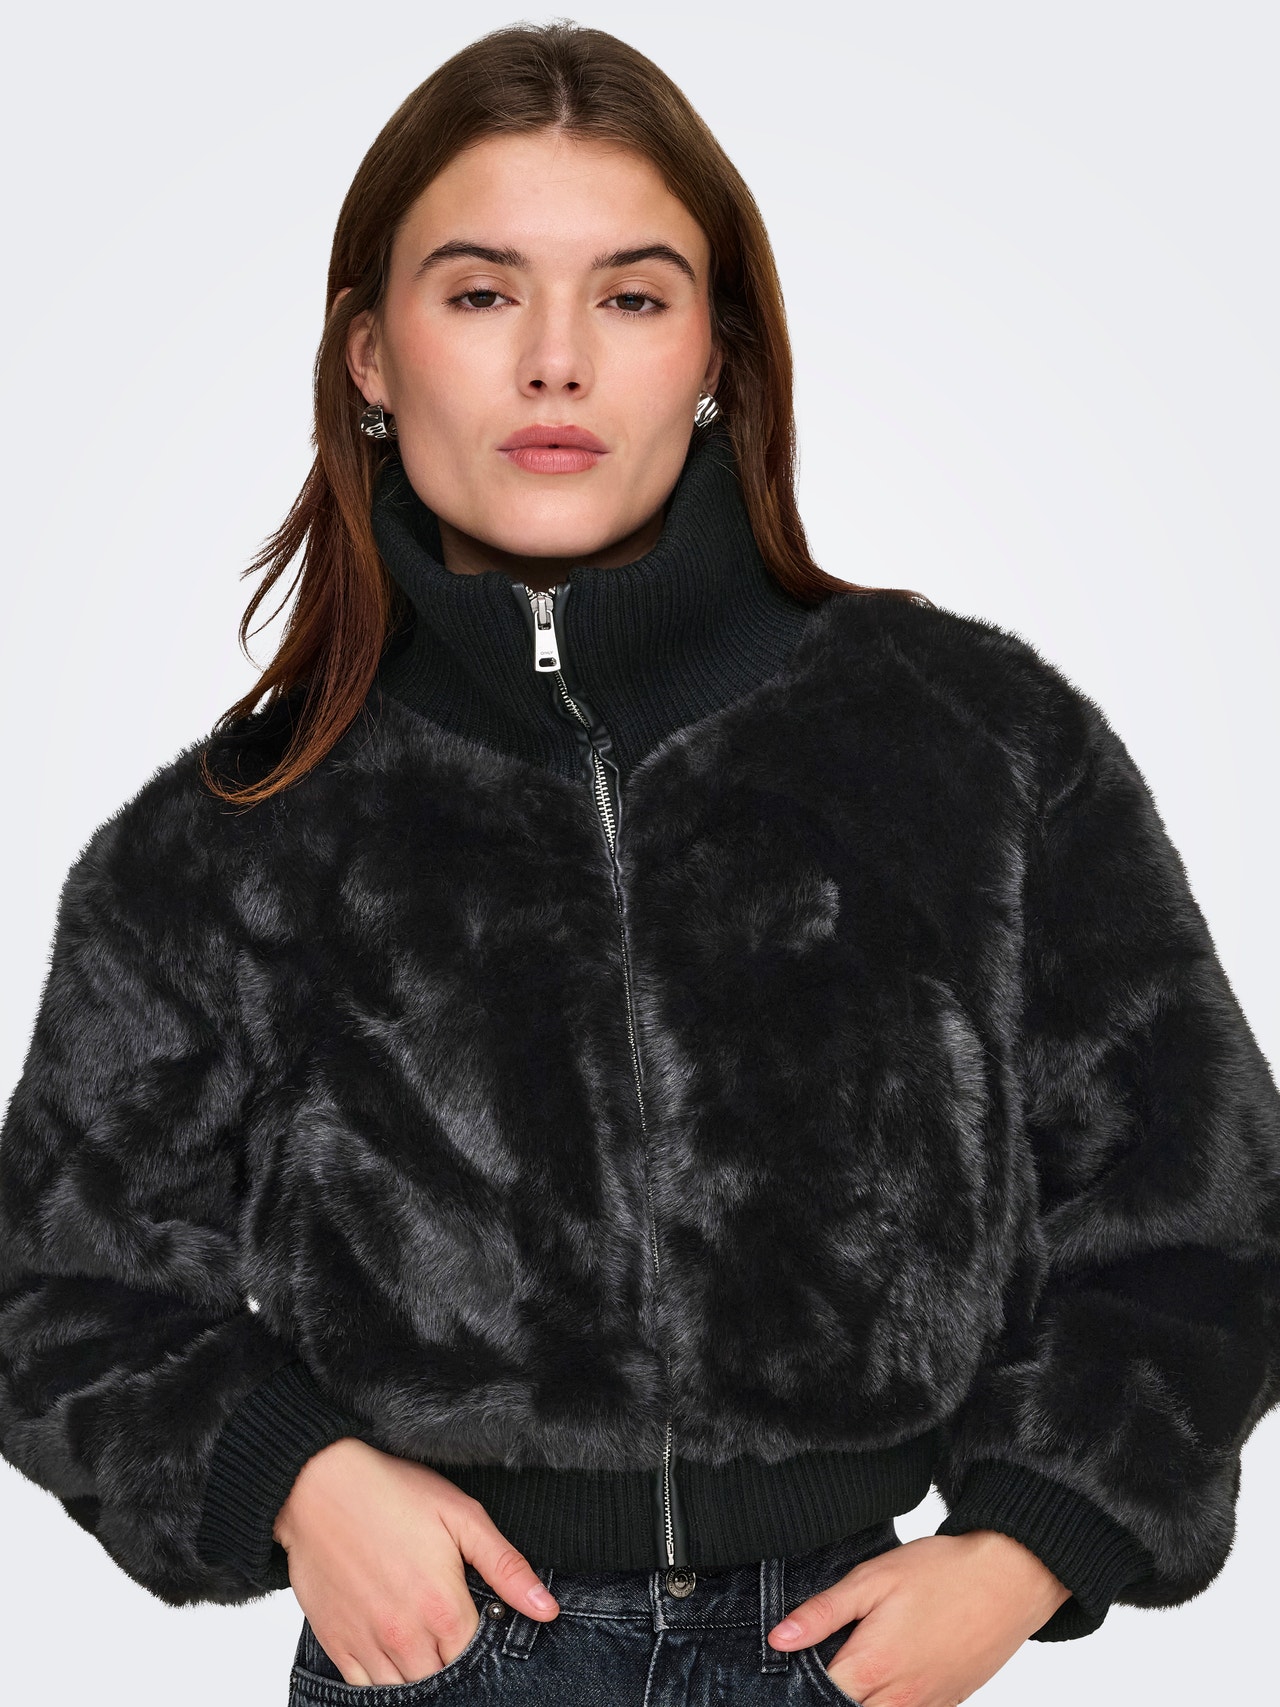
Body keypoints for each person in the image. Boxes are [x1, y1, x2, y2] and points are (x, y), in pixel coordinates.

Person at [2, 20, 1278, 1707]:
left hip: (848, 1649)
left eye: (631, 296)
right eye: (481, 293)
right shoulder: (226, 837)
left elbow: (1202, 1211)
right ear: (370, 354)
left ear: (716, 355)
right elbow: (56, 1287)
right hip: (444, 1656)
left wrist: (1031, 1541)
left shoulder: (976, 744)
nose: (556, 363)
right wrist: (289, 1475)